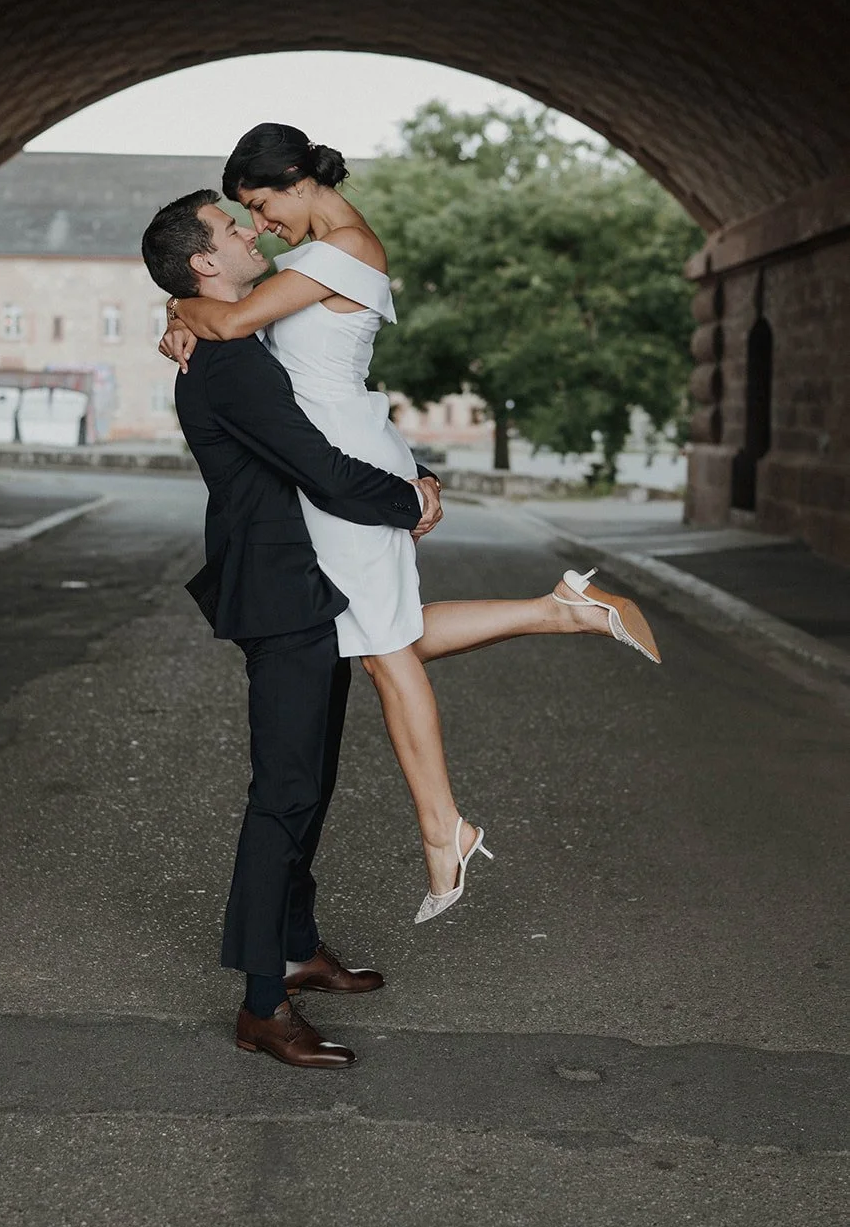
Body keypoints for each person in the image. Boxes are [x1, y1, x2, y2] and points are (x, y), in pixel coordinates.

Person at [160, 122, 663, 919]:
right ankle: (559, 611)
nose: (258, 226)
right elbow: (237, 322)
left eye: (259, 205)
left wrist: (181, 307)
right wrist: (185, 312)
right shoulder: (316, 259)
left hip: (344, 474)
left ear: (297, 178)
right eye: (245, 218)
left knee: (384, 652)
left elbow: (228, 323)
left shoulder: (343, 252)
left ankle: (444, 830)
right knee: (376, 635)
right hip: (350, 456)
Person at [141, 188, 445, 1069]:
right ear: (204, 261)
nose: (249, 232)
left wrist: (409, 471)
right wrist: (411, 503)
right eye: (232, 228)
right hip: (278, 593)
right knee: (282, 793)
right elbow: (316, 466)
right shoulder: (227, 362)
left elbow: (328, 417)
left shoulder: (236, 331)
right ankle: (260, 1005)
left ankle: (297, 946)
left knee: (308, 780)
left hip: (312, 585)